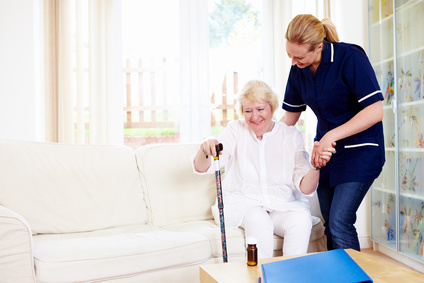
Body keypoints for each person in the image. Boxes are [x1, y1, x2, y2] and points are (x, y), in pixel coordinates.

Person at [193, 80, 334, 258]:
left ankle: (291, 276)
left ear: (271, 108)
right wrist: (205, 147)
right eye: (248, 111)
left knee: (301, 220)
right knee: (259, 220)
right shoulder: (235, 130)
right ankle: (261, 277)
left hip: (281, 205)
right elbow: (202, 166)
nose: (254, 116)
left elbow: (306, 188)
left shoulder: (290, 136)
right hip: (245, 204)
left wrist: (315, 166)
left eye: (260, 109)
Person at [280, 14, 385, 251]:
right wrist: (258, 136)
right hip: (327, 155)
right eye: (289, 55)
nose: (293, 62)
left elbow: (375, 111)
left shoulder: (350, 58)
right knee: (330, 224)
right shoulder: (299, 68)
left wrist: (331, 135)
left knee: (340, 221)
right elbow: (289, 119)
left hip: (361, 151)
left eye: (298, 56)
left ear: (319, 47)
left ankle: (357, 278)